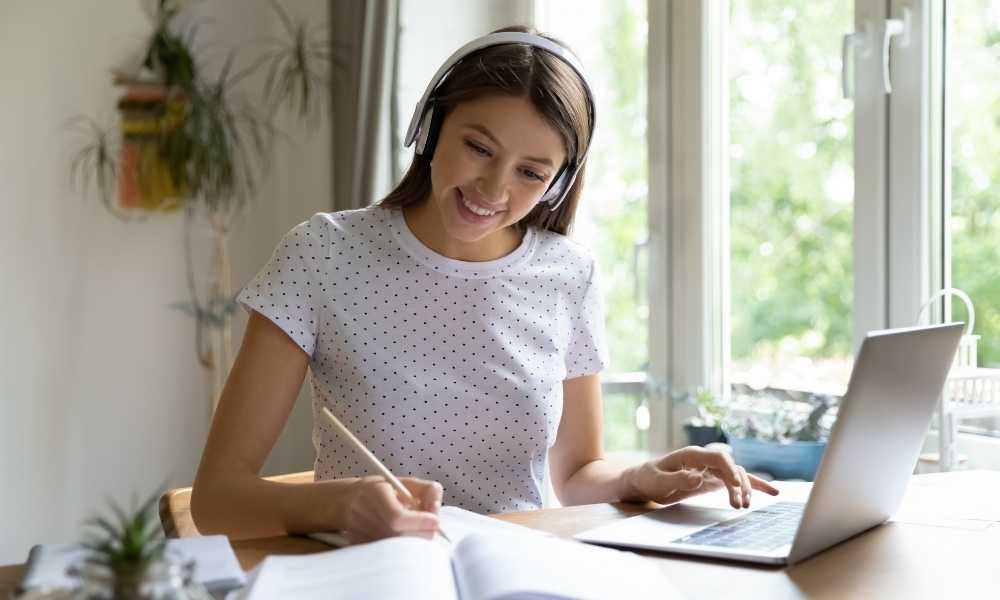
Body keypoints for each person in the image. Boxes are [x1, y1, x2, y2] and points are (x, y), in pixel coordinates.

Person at [190, 25, 778, 545]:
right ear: (430, 127)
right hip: (370, 578)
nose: (493, 190)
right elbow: (218, 500)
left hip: (516, 577)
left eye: (530, 172)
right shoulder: (321, 255)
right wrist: (340, 504)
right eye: (478, 147)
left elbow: (575, 477)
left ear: (556, 184)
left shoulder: (569, 275)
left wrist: (640, 478)